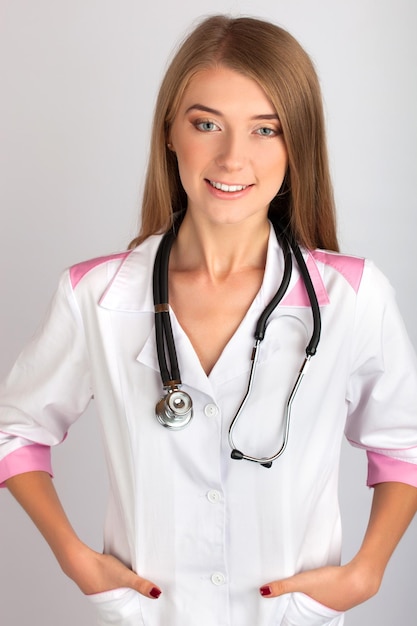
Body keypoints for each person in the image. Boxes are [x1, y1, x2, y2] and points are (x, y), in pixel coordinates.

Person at [1, 14, 417, 626]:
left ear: (296, 142)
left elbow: (403, 444)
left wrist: (367, 571)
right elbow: (17, 431)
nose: (232, 158)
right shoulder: (96, 295)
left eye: (265, 130)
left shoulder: (352, 296)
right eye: (206, 124)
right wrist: (75, 558)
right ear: (170, 131)